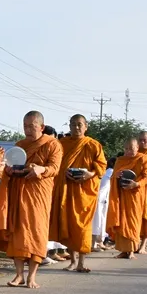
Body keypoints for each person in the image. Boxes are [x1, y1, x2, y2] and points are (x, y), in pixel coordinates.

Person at [0, 111, 62, 288]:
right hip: (19, 191)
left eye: (32, 126)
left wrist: (40, 170)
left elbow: (54, 168)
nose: (28, 130)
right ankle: (19, 275)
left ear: (42, 127)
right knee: (18, 232)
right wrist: (10, 171)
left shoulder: (53, 144)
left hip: (38, 194)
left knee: (36, 232)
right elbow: (8, 166)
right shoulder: (20, 145)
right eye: (25, 126)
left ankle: (32, 276)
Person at [49, 114, 107, 273]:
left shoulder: (93, 145)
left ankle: (82, 261)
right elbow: (56, 163)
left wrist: (90, 174)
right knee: (68, 225)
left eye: (79, 124)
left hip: (84, 193)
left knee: (82, 227)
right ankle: (73, 261)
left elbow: (101, 166)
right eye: (73, 124)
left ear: (86, 126)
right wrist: (63, 173)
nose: (76, 127)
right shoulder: (62, 144)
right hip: (67, 189)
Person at [108, 139, 147, 258]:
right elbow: (113, 177)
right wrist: (116, 176)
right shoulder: (120, 160)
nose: (128, 151)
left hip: (135, 195)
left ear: (137, 147)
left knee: (133, 222)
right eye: (126, 148)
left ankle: (132, 250)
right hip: (121, 194)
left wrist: (136, 184)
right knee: (121, 221)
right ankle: (123, 250)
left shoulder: (143, 159)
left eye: (131, 148)